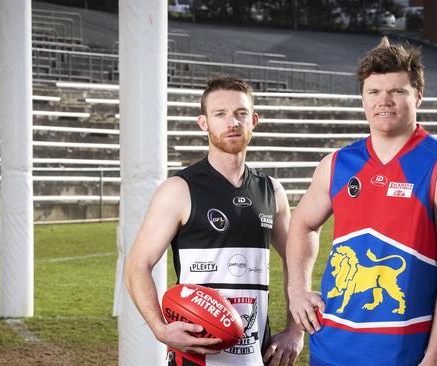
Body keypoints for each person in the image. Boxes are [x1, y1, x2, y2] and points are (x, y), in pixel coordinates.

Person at [286, 37, 437, 366]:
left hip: (403, 352)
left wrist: (434, 357)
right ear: (362, 98)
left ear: (418, 97)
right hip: (329, 346)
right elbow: (303, 224)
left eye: (397, 91)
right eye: (374, 92)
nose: (384, 101)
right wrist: (297, 291)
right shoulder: (336, 164)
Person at [124, 75, 304, 366]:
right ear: (203, 123)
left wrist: (295, 331)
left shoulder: (272, 191)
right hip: (196, 356)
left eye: (240, 113)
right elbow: (136, 266)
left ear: (253, 120)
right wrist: (160, 329)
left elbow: (297, 260)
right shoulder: (179, 189)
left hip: (257, 355)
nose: (231, 122)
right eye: (220, 114)